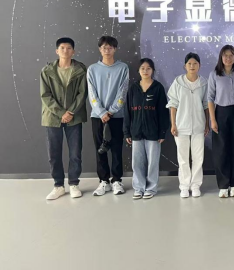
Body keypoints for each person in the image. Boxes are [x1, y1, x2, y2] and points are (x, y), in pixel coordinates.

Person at [40, 37, 88, 200]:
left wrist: (71, 112)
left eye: (68, 48)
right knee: (54, 153)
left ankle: (74, 184)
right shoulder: (47, 71)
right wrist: (62, 113)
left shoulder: (81, 69)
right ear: (57, 51)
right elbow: (45, 95)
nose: (65, 51)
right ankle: (58, 185)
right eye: (62, 48)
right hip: (52, 117)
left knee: (75, 153)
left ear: (73, 51)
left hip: (74, 117)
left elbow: (83, 93)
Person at [87, 36, 129, 196]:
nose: (107, 50)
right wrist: (102, 112)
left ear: (115, 49)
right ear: (100, 49)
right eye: (104, 47)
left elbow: (123, 91)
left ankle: (117, 180)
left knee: (117, 149)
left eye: (110, 47)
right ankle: (103, 181)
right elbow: (92, 93)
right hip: (97, 116)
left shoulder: (123, 68)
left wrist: (111, 111)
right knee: (100, 150)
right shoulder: (92, 69)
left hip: (116, 116)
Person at [124, 58, 169, 200]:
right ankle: (139, 188)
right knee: (137, 163)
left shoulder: (158, 88)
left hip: (153, 132)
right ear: (138, 70)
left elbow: (163, 112)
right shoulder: (133, 88)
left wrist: (162, 132)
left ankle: (151, 188)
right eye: (142, 68)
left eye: (148, 68)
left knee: (153, 162)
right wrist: (127, 132)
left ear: (153, 70)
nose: (145, 71)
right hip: (136, 131)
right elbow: (127, 111)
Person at [167, 53, 209, 198]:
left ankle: (195, 185)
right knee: (183, 158)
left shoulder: (204, 83)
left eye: (195, 63)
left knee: (198, 158)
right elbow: (173, 104)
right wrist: (173, 124)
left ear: (199, 66)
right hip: (181, 126)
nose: (192, 66)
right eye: (189, 64)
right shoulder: (178, 82)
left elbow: (206, 105)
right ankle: (184, 186)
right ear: (185, 66)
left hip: (199, 125)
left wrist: (207, 124)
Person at [208, 45, 234, 198]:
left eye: (231, 55)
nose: (228, 58)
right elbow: (210, 98)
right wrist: (213, 119)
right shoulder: (214, 74)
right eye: (225, 55)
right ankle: (223, 185)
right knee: (221, 150)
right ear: (221, 57)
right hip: (221, 113)